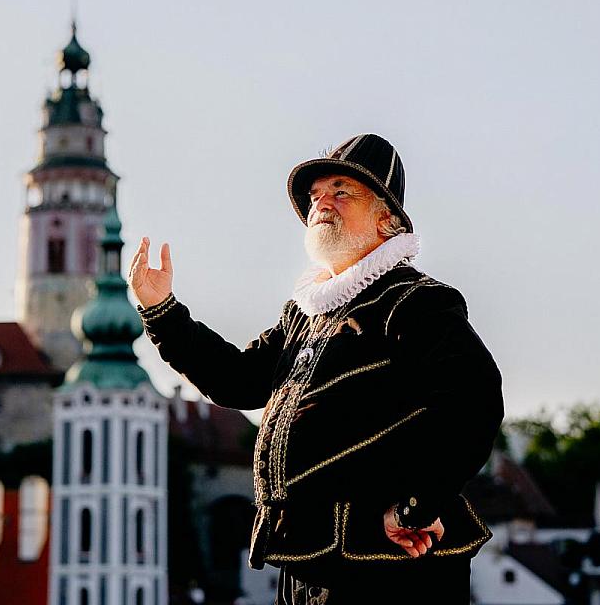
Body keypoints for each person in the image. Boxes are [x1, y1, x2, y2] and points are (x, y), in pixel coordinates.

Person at [128, 134, 503, 604]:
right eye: (315, 195)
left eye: (341, 191)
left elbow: (474, 400)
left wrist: (417, 506)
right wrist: (162, 311)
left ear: (386, 218)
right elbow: (239, 382)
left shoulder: (414, 302)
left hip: (389, 558)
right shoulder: (306, 314)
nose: (322, 203)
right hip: (309, 557)